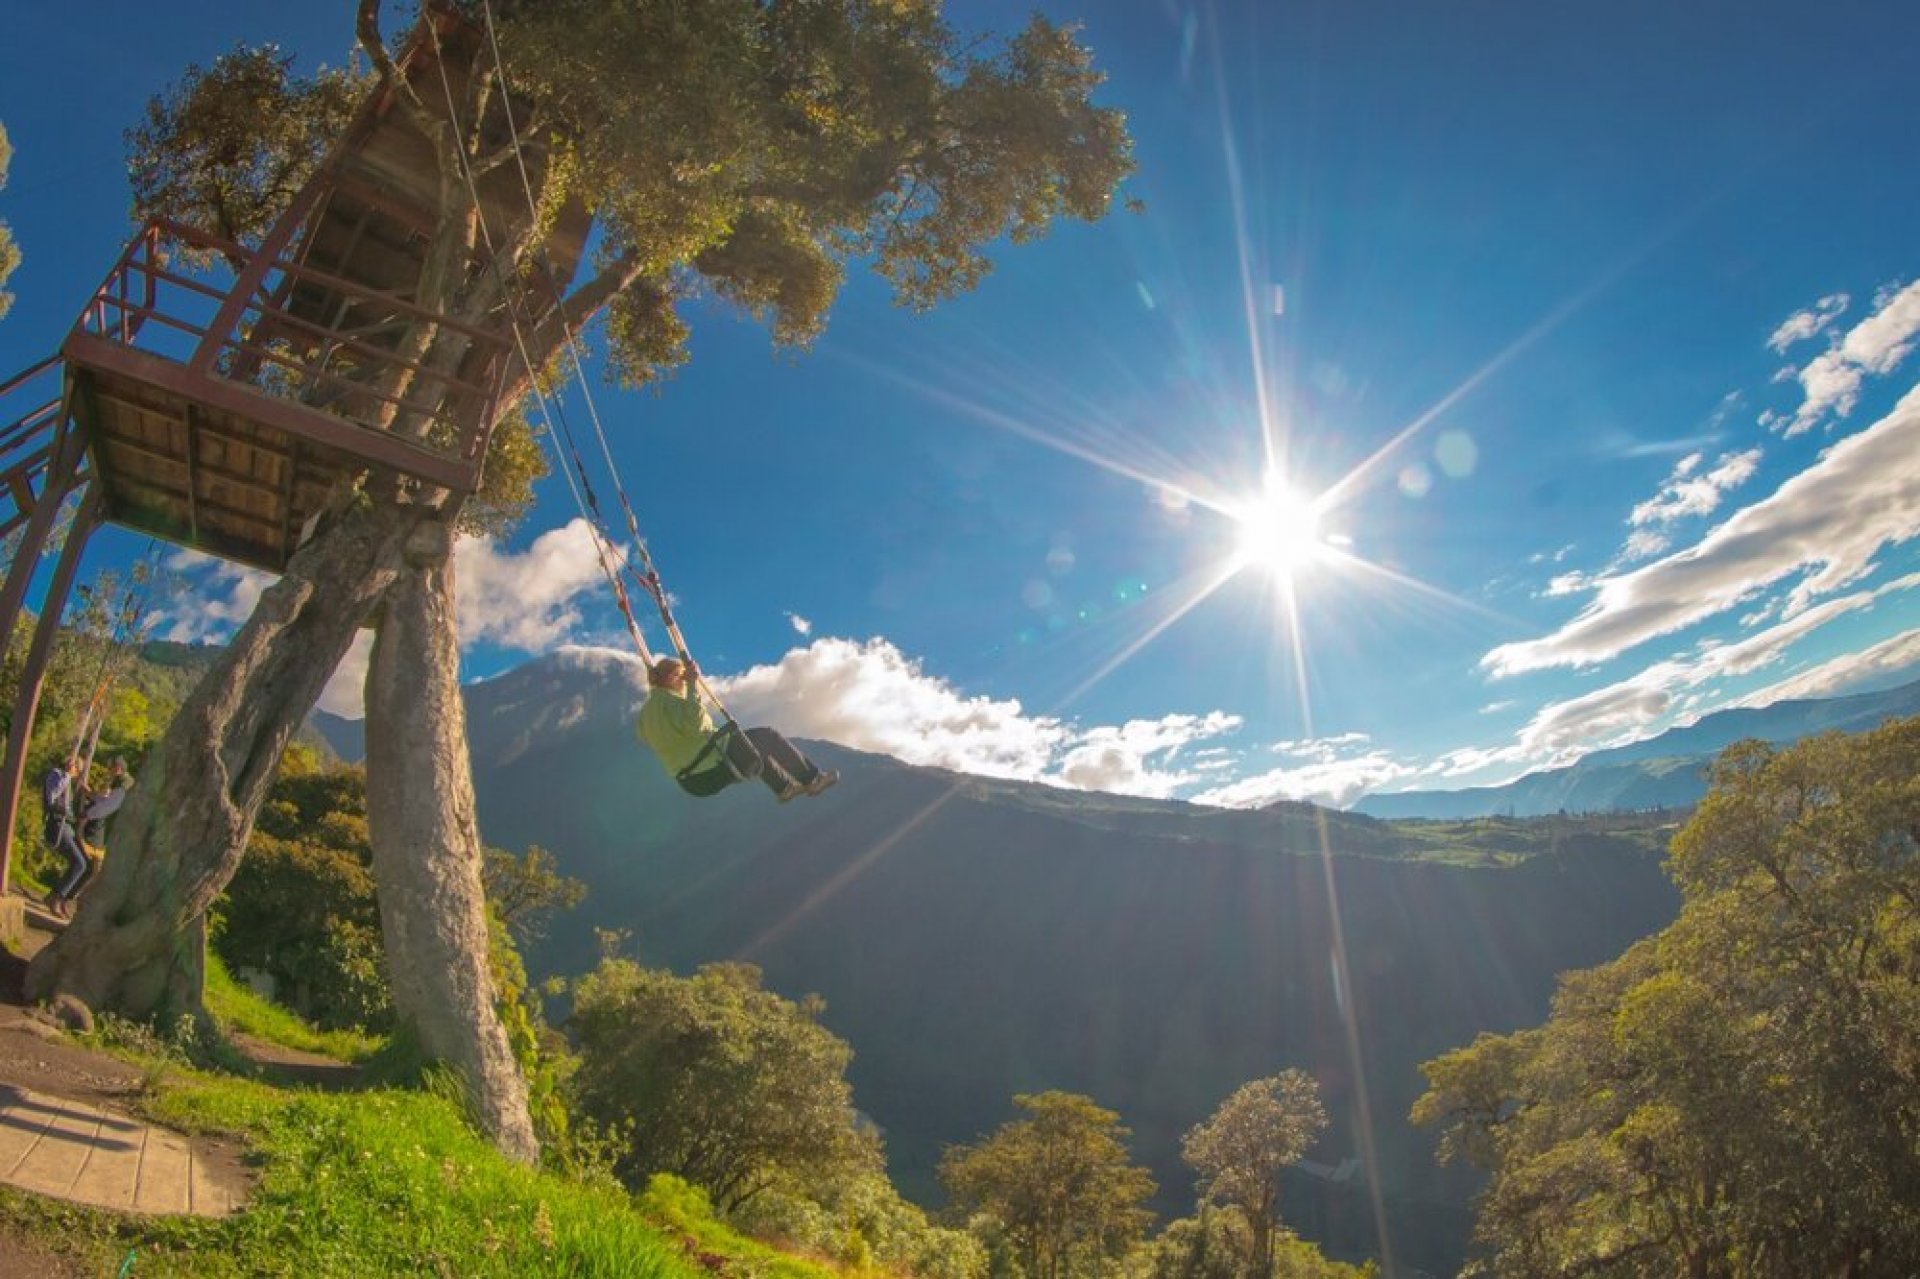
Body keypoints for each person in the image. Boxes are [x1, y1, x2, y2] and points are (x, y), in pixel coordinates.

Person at [637, 656, 837, 801]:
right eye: (680, 678)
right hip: (710, 768)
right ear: (672, 677)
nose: (682, 682)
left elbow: (646, 738)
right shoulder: (675, 703)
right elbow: (696, 723)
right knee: (767, 736)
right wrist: (692, 686)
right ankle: (813, 779)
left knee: (749, 747)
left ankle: (784, 787)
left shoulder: (644, 715)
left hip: (690, 783)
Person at [39, 756, 91, 918]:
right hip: (57, 825)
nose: (75, 773)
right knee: (79, 864)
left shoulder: (68, 783)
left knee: (85, 864)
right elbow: (51, 797)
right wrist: (67, 774)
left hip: (67, 827)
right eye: (77, 769)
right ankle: (56, 898)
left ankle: (56, 896)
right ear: (72, 766)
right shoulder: (57, 775)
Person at [80, 756, 133, 852]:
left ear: (118, 768)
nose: (109, 771)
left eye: (110, 768)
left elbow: (108, 806)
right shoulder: (118, 782)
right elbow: (104, 799)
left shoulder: (124, 785)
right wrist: (90, 794)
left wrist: (87, 814)